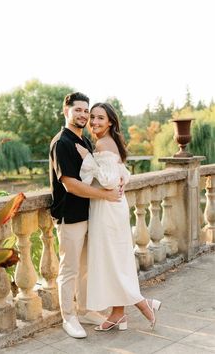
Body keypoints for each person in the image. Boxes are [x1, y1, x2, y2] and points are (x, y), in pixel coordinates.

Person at [76, 102, 161, 331]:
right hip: (113, 206)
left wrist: (87, 157)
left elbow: (108, 181)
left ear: (110, 122)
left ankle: (144, 304)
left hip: (107, 208)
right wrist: (120, 180)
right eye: (92, 117)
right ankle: (118, 314)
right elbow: (123, 174)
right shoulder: (111, 141)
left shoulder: (103, 143)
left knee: (112, 260)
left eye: (100, 118)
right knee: (114, 259)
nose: (94, 121)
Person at [49, 93, 122, 339]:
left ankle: (85, 310)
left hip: (90, 214)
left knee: (86, 267)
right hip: (70, 216)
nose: (83, 115)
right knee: (69, 269)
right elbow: (71, 185)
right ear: (66, 111)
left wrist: (118, 184)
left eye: (86, 111)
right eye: (78, 110)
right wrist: (106, 196)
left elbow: (101, 174)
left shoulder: (86, 142)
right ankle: (68, 317)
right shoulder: (62, 143)